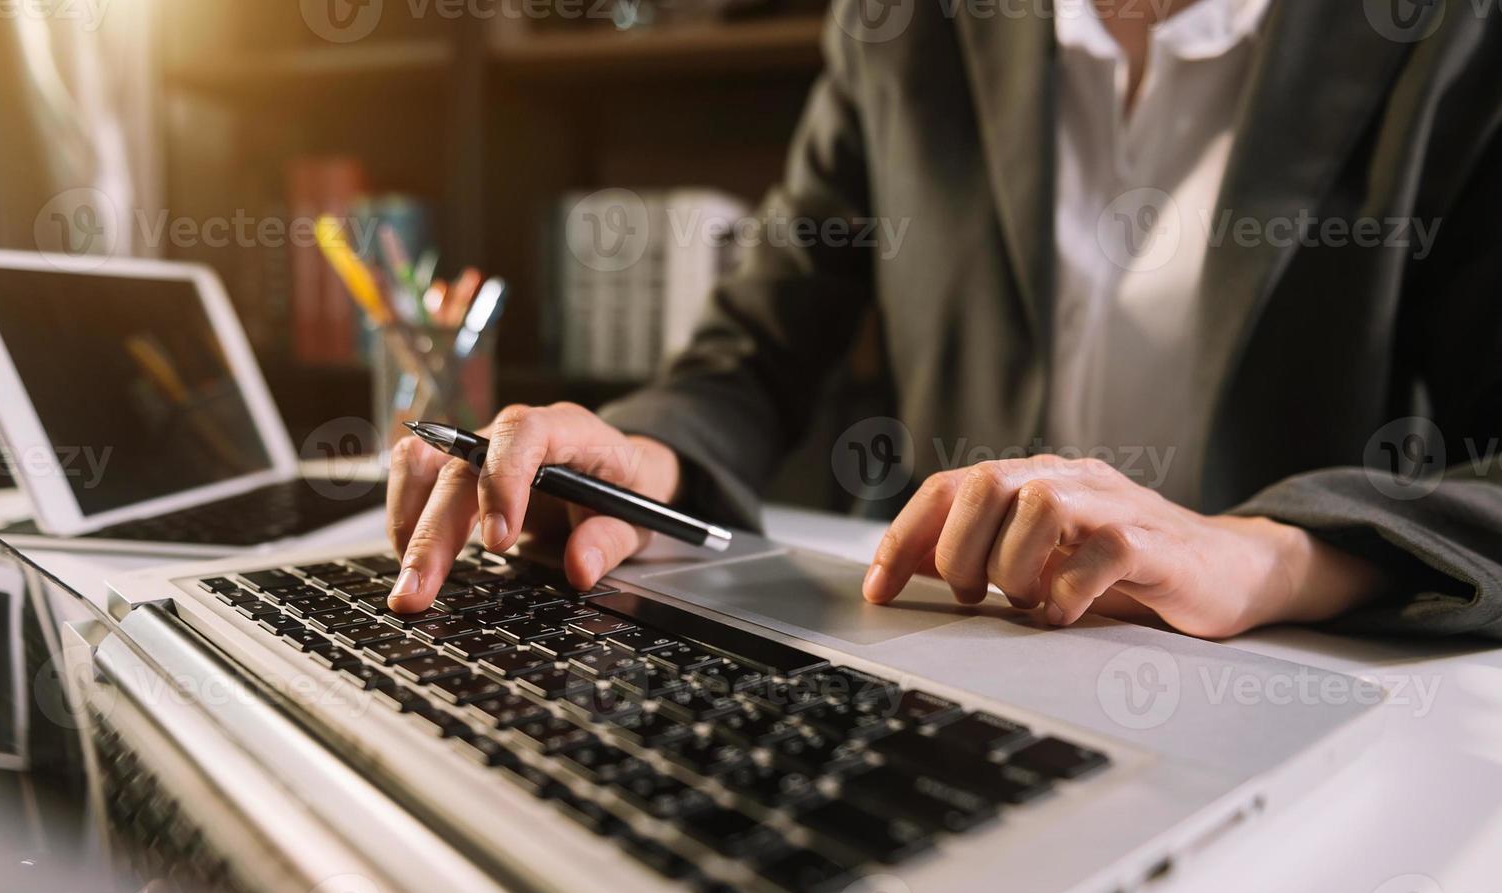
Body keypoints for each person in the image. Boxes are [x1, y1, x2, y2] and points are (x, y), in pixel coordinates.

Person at [387, 0, 1502, 639]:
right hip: (956, 644)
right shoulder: (906, 28)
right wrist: (638, 460)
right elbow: (752, 351)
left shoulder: (1450, 35)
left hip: (1305, 677)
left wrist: (1261, 554)